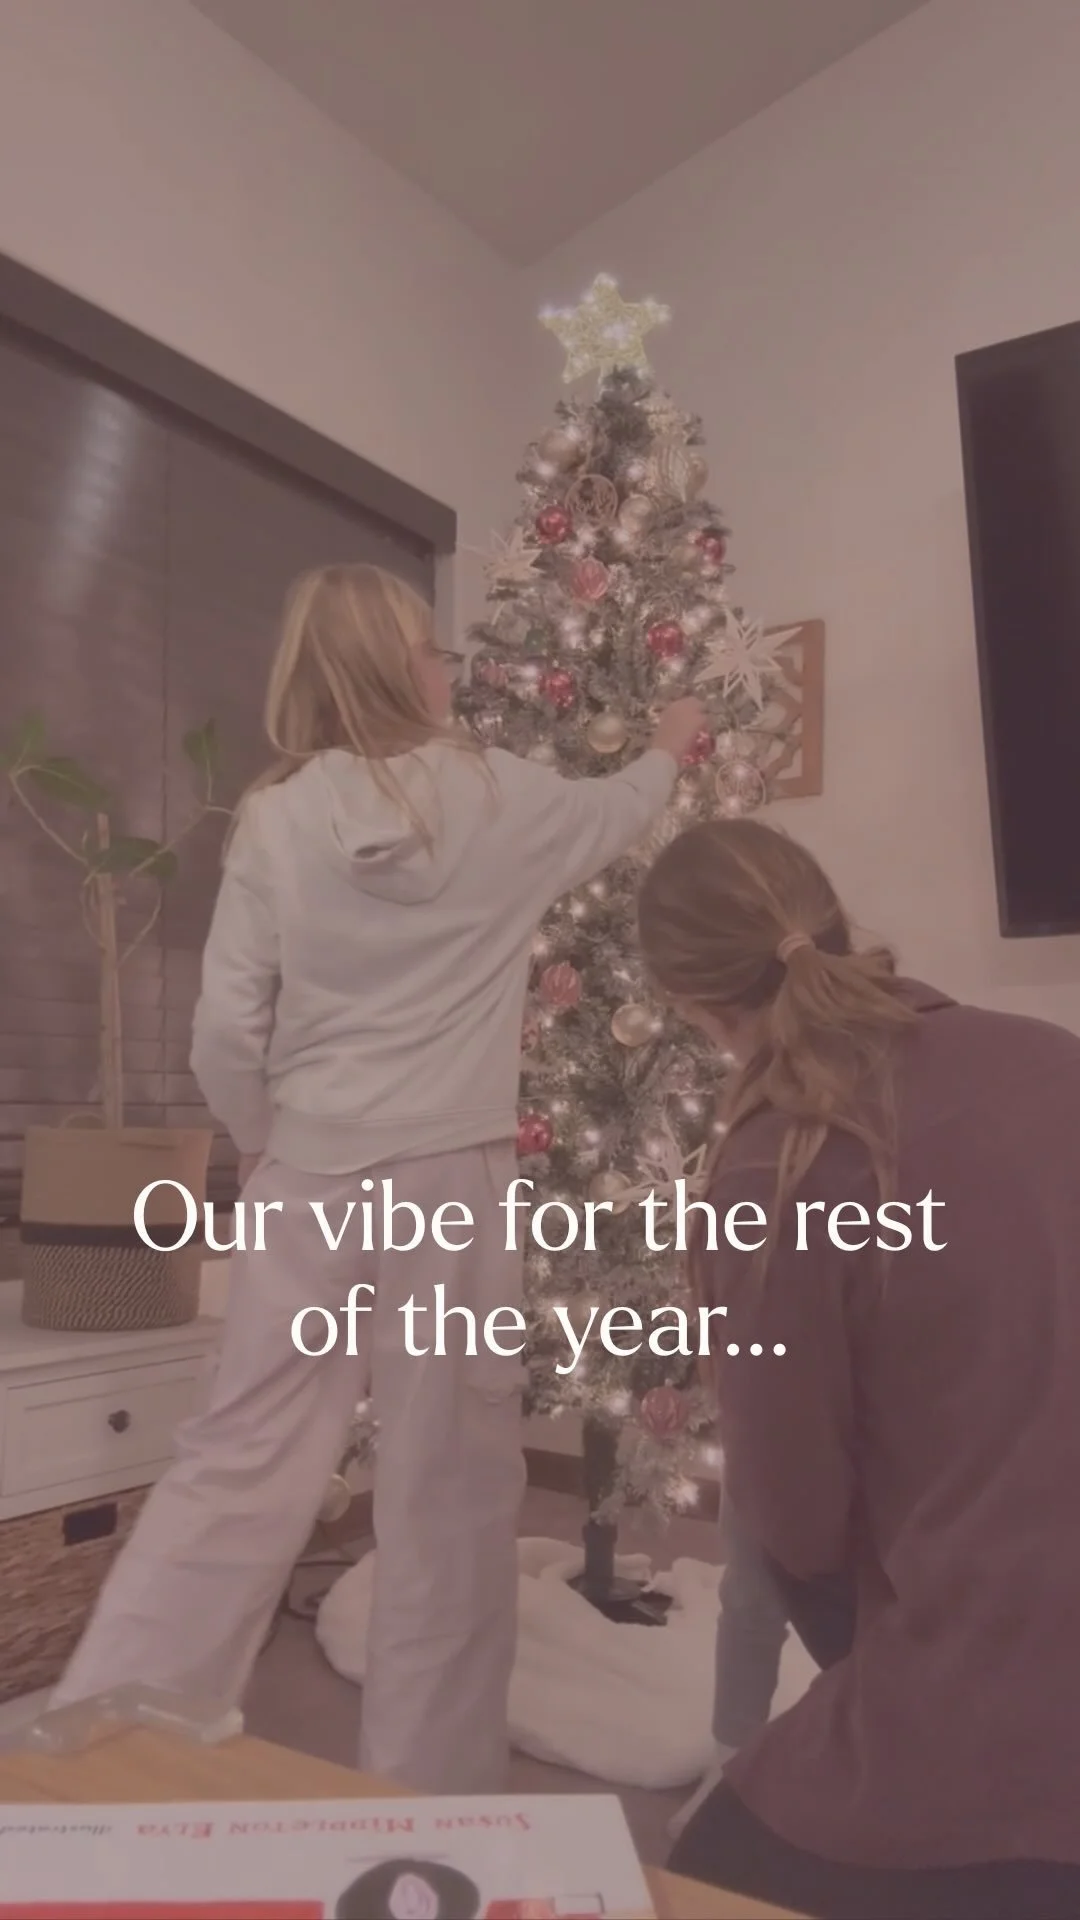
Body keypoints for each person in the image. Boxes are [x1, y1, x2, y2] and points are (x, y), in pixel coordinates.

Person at [50, 561, 705, 1794]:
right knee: (449, 1488)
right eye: (431, 647)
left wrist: (265, 1139)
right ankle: (429, 1797)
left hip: (310, 1177)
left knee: (235, 1467)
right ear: (402, 665)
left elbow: (224, 1031)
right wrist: (670, 745)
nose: (445, 665)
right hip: (449, 1188)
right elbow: (619, 810)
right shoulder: (501, 796)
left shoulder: (279, 816)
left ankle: (103, 1764)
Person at [638, 817, 1080, 1920]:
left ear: (692, 1007)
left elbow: (795, 1519)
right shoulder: (1051, 1056)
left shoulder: (771, 1169)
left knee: (687, 1880)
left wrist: (881, 1664)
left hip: (1004, 1711)